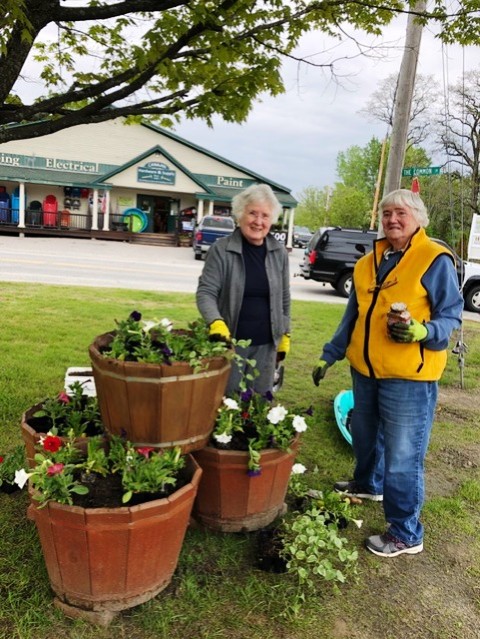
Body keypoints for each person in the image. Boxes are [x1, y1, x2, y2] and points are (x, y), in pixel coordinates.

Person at [311, 189, 463, 558]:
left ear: (418, 219)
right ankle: (367, 484)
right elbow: (353, 316)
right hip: (364, 370)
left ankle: (406, 533)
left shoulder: (433, 259)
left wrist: (423, 331)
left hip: (408, 376)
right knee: (364, 435)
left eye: (401, 213)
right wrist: (330, 354)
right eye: (386, 213)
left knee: (402, 455)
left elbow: (452, 314)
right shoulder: (368, 262)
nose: (392, 220)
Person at [196, 183, 290, 395]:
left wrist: (286, 332)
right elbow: (206, 292)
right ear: (240, 215)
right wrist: (216, 322)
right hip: (231, 345)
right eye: (252, 213)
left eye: (265, 215)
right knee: (227, 403)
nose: (258, 221)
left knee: (259, 406)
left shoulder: (279, 252)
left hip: (267, 346)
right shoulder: (221, 250)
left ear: (271, 220)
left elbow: (284, 297)